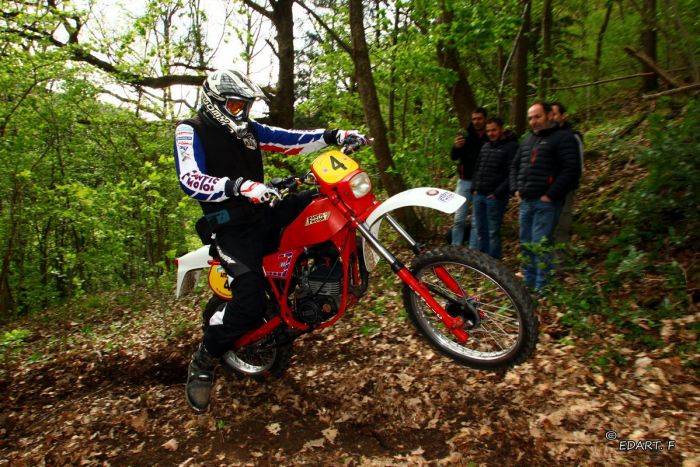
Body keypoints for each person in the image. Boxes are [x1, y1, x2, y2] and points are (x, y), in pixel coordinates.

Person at [174, 69, 367, 412]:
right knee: (248, 300)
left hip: (265, 213)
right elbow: (190, 179)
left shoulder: (248, 129)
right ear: (216, 103)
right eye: (236, 105)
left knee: (323, 205)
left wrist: (333, 135)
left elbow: (288, 139)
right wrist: (239, 186)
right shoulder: (191, 130)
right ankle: (204, 359)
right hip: (232, 228)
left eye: (245, 106)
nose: (242, 113)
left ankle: (321, 285)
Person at [510, 101, 581, 292]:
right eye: (530, 118)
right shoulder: (528, 139)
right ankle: (529, 284)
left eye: (537, 116)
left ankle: (543, 288)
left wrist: (550, 195)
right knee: (526, 243)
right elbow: (515, 165)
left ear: (549, 116)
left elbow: (571, 169)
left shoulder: (564, 138)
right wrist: (516, 189)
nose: (533, 121)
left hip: (546, 203)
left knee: (540, 243)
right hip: (526, 201)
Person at [470, 118, 518, 259]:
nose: (491, 133)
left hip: (495, 197)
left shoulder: (511, 147)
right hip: (479, 194)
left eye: (494, 130)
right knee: (480, 229)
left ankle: (494, 261)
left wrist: (497, 193)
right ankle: (483, 260)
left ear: (501, 129)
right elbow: (477, 168)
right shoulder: (485, 147)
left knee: (493, 231)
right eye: (488, 131)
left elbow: (512, 173)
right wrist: (474, 187)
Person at [449, 107, 489, 247]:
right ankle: (455, 248)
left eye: (479, 119)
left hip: (482, 183)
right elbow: (454, 156)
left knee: (476, 222)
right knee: (459, 219)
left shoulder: (490, 136)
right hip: (464, 181)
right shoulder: (466, 135)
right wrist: (456, 147)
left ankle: (472, 252)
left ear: (485, 119)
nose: (477, 122)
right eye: (474, 119)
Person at [550, 102, 584, 246]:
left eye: (555, 114)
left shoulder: (573, 136)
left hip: (566, 189)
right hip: (548, 189)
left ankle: (561, 258)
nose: (552, 118)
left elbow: (578, 166)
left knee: (561, 225)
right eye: (549, 114)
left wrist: (569, 184)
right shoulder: (547, 136)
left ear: (563, 116)